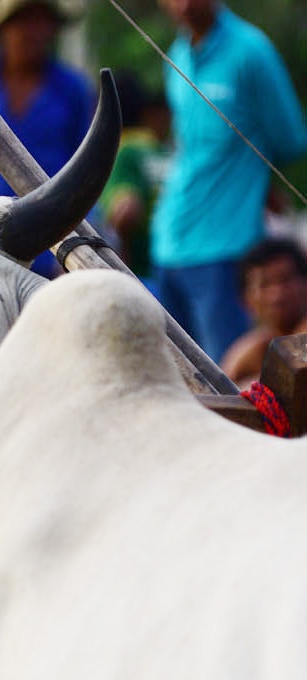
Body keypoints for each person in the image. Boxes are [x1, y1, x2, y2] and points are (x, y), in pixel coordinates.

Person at [150, 0, 307, 363]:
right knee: (175, 379)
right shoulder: (177, 52)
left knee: (225, 382)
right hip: (169, 243)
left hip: (225, 246)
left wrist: (252, 177)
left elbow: (291, 139)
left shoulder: (251, 51)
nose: (184, 3)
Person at [0, 0, 94, 277]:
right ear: (2, 28)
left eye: (40, 21)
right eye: (22, 20)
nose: (31, 31)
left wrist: (77, 250)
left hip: (51, 243)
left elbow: (85, 171)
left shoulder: (72, 89)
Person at [98, 71, 171, 289]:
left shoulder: (123, 150)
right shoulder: (162, 150)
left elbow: (126, 211)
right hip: (172, 266)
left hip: (140, 275)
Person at [220, 237, 307, 389]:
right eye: (264, 285)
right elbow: (218, 392)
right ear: (246, 299)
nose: (276, 295)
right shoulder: (251, 350)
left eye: (285, 280)